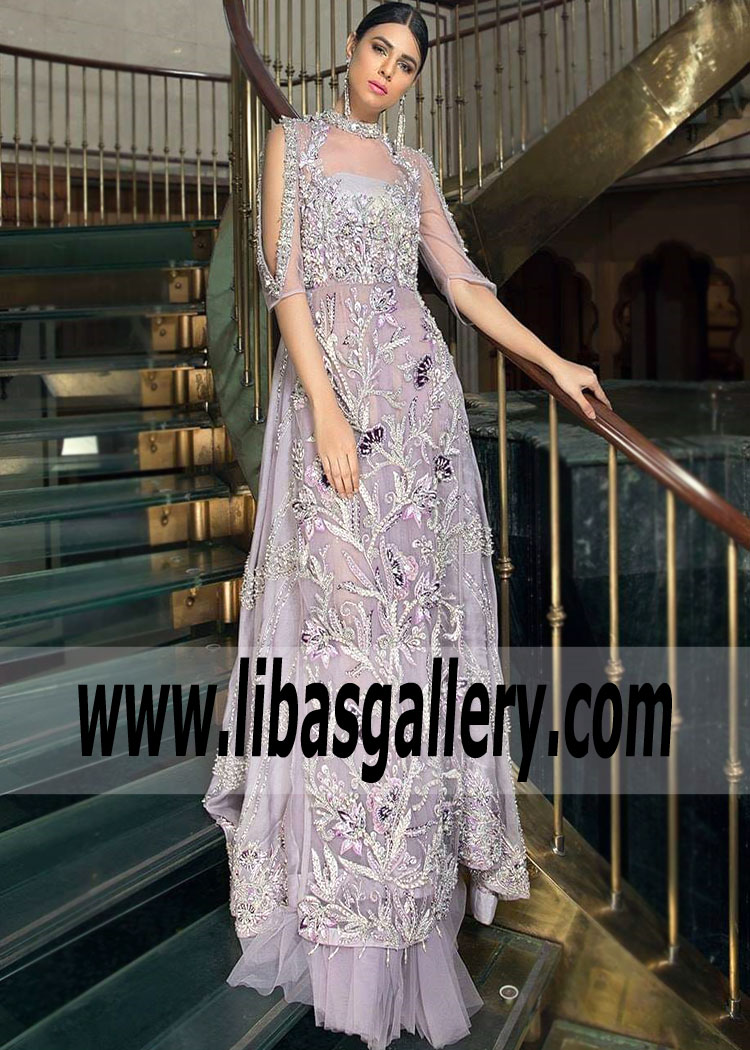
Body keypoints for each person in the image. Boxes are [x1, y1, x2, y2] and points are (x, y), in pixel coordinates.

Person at [203, 4, 610, 1048]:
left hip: (419, 423)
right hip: (335, 414)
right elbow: (284, 281)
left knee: (411, 654)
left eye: (408, 63)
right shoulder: (293, 141)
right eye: (380, 50)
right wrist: (327, 409)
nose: (390, 70)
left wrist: (555, 362)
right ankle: (341, 902)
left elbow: (464, 290)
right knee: (343, 650)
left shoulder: (415, 169)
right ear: (351, 51)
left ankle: (407, 906)